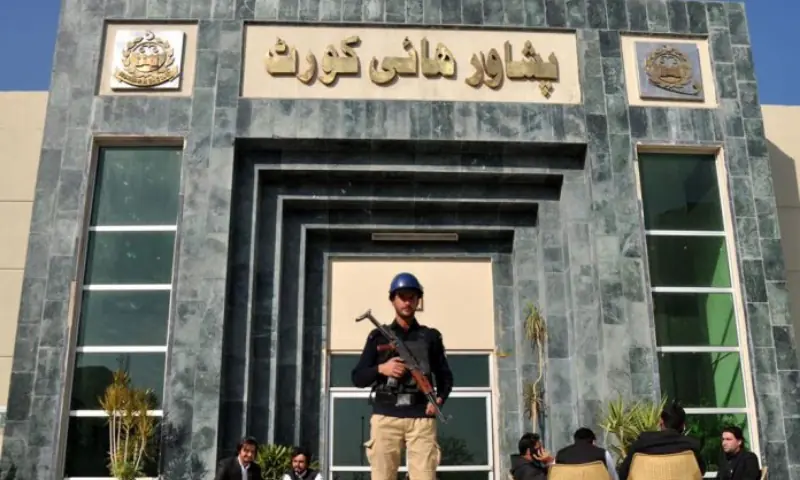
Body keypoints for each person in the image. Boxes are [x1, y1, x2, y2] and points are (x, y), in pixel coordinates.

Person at [351, 272, 454, 480]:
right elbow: (358, 377)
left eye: (412, 297)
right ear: (393, 300)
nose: (407, 301)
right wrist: (382, 369)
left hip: (421, 418)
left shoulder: (430, 336)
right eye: (402, 296)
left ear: (418, 300)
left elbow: (445, 377)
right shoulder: (378, 336)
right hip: (386, 416)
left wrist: (439, 400)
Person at [617, 402, 705, 480]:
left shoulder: (641, 444)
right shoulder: (692, 446)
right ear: (683, 426)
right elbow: (700, 472)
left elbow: (623, 474)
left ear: (661, 422)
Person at [555, 427, 619, 480]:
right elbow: (614, 477)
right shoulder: (603, 453)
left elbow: (554, 475)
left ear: (575, 440)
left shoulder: (561, 454)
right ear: (593, 441)